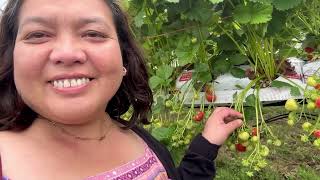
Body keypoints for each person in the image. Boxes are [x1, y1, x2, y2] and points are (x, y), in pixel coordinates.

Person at [0, 0, 243, 179]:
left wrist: (206, 144)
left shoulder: (140, 139)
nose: (67, 53)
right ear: (10, 59)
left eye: (93, 33)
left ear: (124, 59)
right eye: (38, 34)